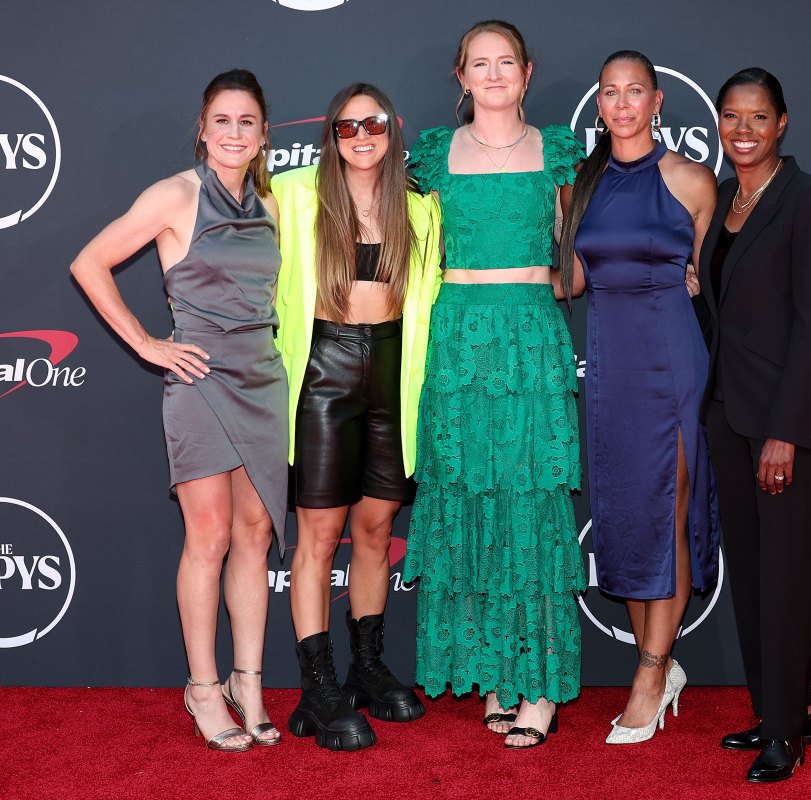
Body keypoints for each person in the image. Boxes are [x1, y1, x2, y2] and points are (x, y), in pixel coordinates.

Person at [70, 69, 286, 751]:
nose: (232, 132)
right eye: (220, 120)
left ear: (262, 134)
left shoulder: (271, 205)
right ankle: (201, 687)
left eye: (246, 121)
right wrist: (146, 343)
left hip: (263, 376)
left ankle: (247, 682)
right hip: (199, 378)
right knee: (211, 536)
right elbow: (89, 262)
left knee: (256, 537)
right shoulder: (174, 194)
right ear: (202, 128)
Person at [402, 19, 586, 749]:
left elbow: (579, 258)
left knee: (530, 505)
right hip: (457, 339)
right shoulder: (434, 156)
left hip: (530, 336)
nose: (494, 73)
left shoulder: (558, 153)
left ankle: (537, 684)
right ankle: (494, 675)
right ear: (460, 76)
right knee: (468, 500)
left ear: (528, 71)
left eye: (505, 61)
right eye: (479, 63)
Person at [557, 50, 721, 745]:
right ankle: (659, 663)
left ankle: (653, 672)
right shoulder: (578, 186)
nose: (622, 104)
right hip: (613, 368)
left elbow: (705, 280)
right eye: (610, 93)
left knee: (671, 509)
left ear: (658, 102)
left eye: (635, 92)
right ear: (599, 105)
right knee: (627, 514)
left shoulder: (693, 181)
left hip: (675, 361)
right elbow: (567, 283)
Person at [271, 84, 441, 752]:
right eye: (347, 127)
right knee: (318, 536)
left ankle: (365, 668)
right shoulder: (293, 195)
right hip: (323, 371)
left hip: (397, 372)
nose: (362, 136)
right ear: (332, 136)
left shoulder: (421, 207)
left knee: (375, 528)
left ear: (392, 130)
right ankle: (318, 686)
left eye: (373, 124)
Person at [698, 68, 811, 782]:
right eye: (732, 117)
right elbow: (731, 318)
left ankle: (786, 732)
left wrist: (786, 430)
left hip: (789, 425)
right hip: (729, 416)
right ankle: (778, 709)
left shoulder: (810, 198)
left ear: (782, 122)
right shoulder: (725, 200)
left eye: (758, 117)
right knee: (755, 579)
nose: (743, 131)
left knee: (786, 578)